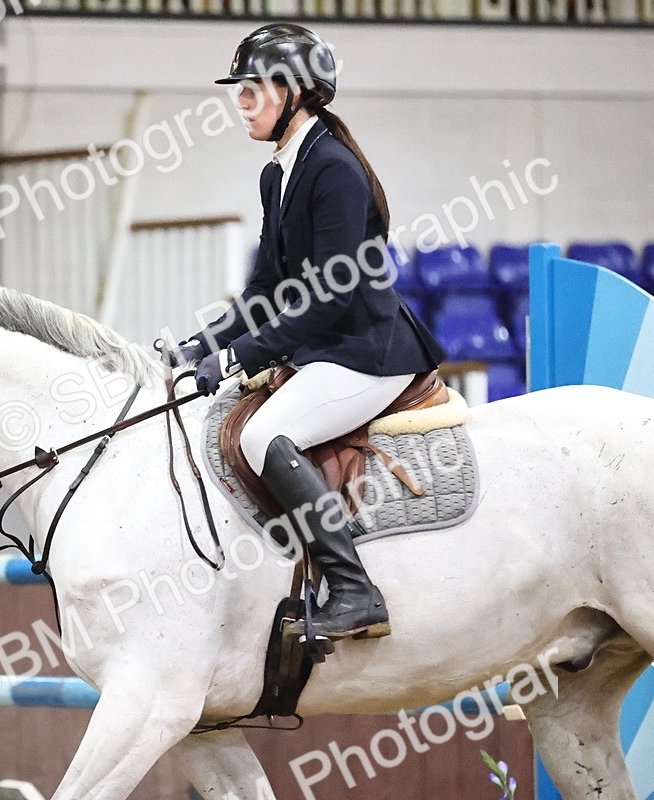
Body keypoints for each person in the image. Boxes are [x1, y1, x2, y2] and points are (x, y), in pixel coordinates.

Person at [170, 23, 447, 641]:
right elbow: (267, 288)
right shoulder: (278, 174)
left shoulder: (334, 169)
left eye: (252, 90)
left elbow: (331, 295)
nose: (241, 103)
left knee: (265, 435)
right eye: (239, 91)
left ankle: (354, 590)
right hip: (328, 347)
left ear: (294, 92)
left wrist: (239, 356)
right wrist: (203, 343)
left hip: (367, 351)